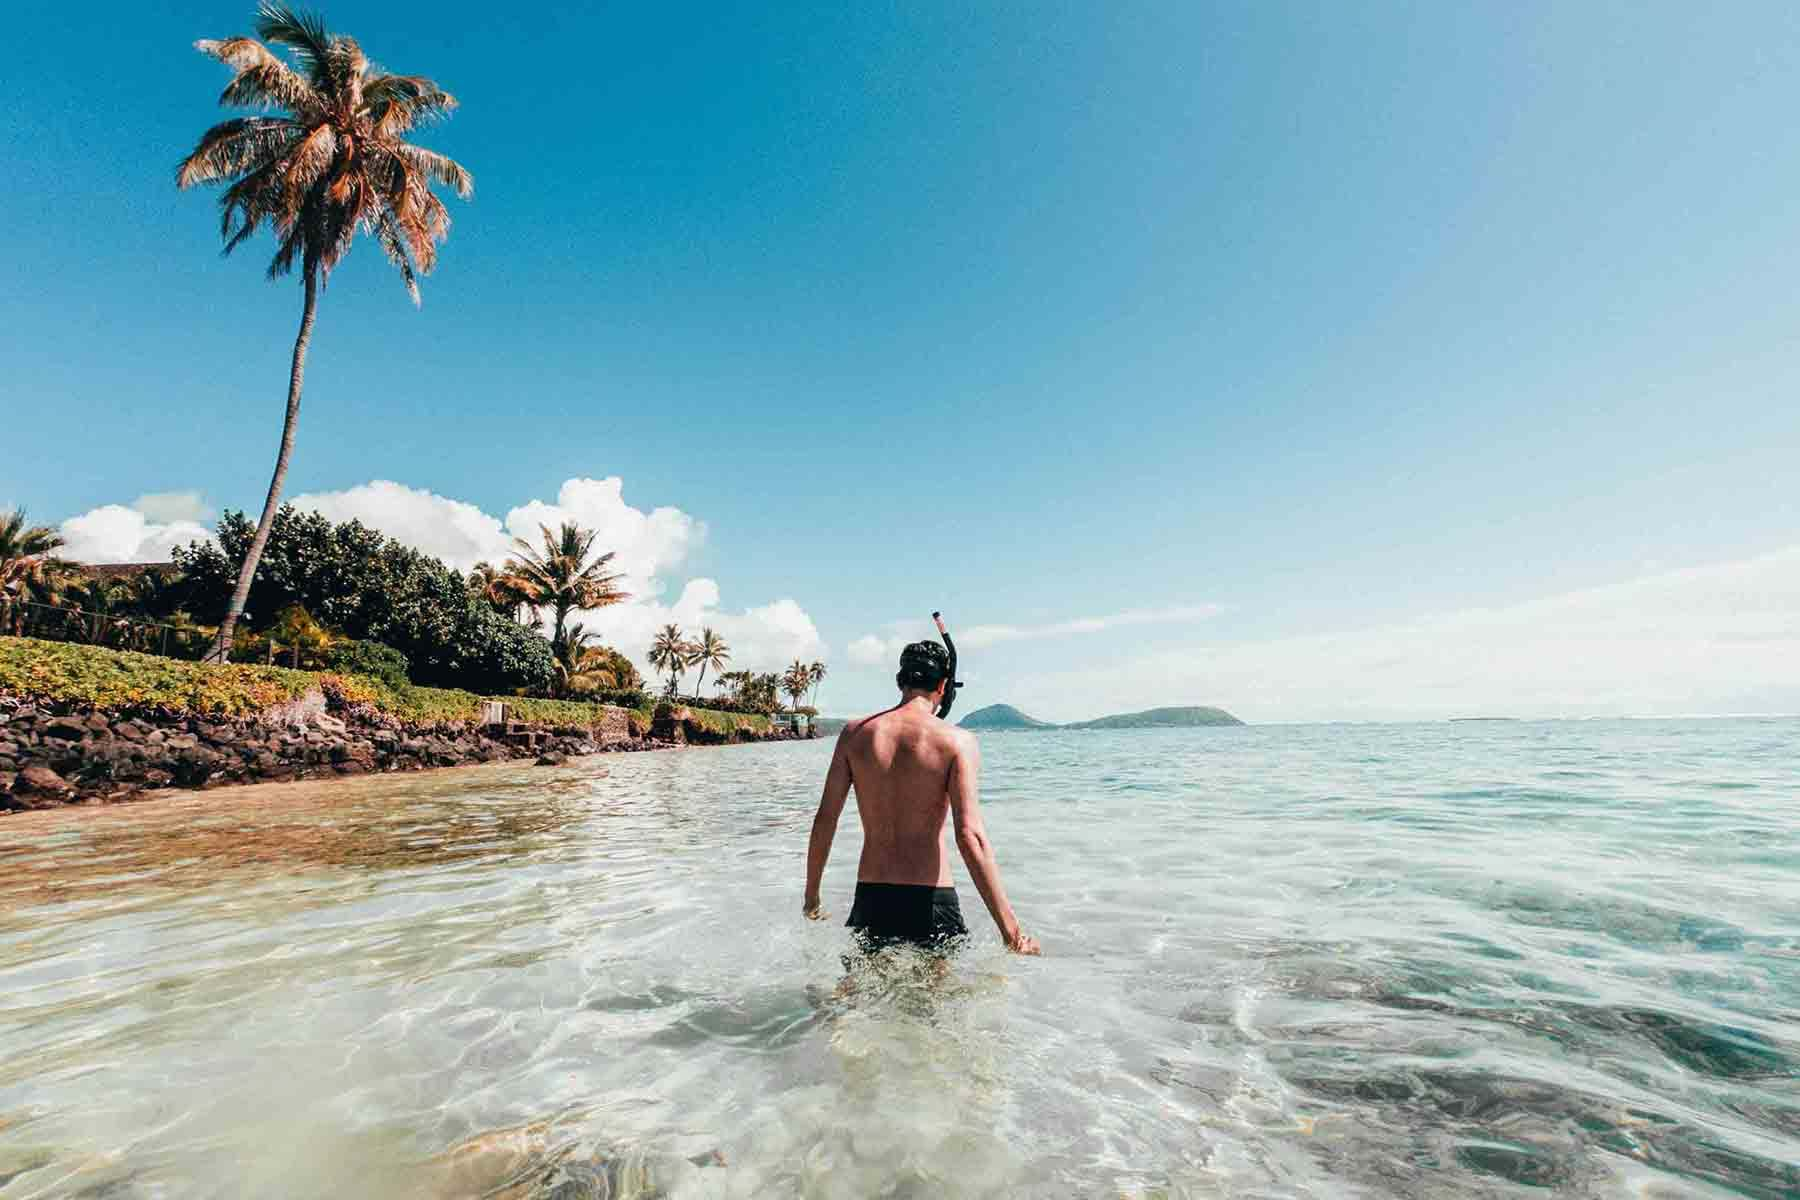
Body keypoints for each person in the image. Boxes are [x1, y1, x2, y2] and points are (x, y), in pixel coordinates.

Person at [803, 639, 1040, 955]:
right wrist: (1011, 932)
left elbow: (825, 820)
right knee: (936, 1002)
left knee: (862, 1001)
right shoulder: (957, 741)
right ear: (943, 685)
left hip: (872, 898)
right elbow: (970, 836)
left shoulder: (854, 735)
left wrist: (812, 897)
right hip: (932, 899)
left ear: (901, 681)